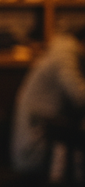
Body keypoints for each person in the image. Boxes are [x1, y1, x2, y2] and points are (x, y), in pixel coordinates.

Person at [11, 27, 85, 175]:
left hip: (43, 132)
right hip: (38, 142)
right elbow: (79, 95)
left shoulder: (62, 50)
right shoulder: (65, 55)